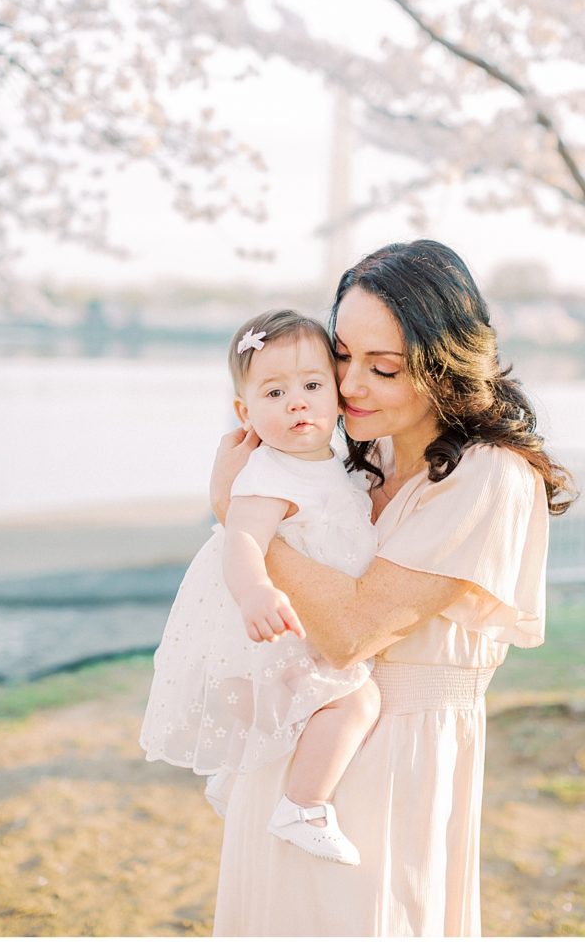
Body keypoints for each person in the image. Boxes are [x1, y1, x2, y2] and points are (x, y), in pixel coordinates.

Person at [209, 240, 576, 937]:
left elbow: (352, 631)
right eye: (341, 355)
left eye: (383, 367)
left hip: (399, 764)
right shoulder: (355, 461)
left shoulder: (488, 479)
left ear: (445, 366)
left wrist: (242, 519)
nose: (348, 386)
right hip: (299, 752)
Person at [140, 309, 381, 866]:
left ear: (339, 395)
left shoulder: (337, 464)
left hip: (305, 623)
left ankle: (236, 776)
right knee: (356, 699)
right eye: (274, 393)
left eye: (312, 385)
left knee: (312, 709)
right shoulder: (268, 475)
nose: (297, 402)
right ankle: (304, 806)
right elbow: (240, 540)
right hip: (269, 631)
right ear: (245, 413)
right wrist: (255, 593)